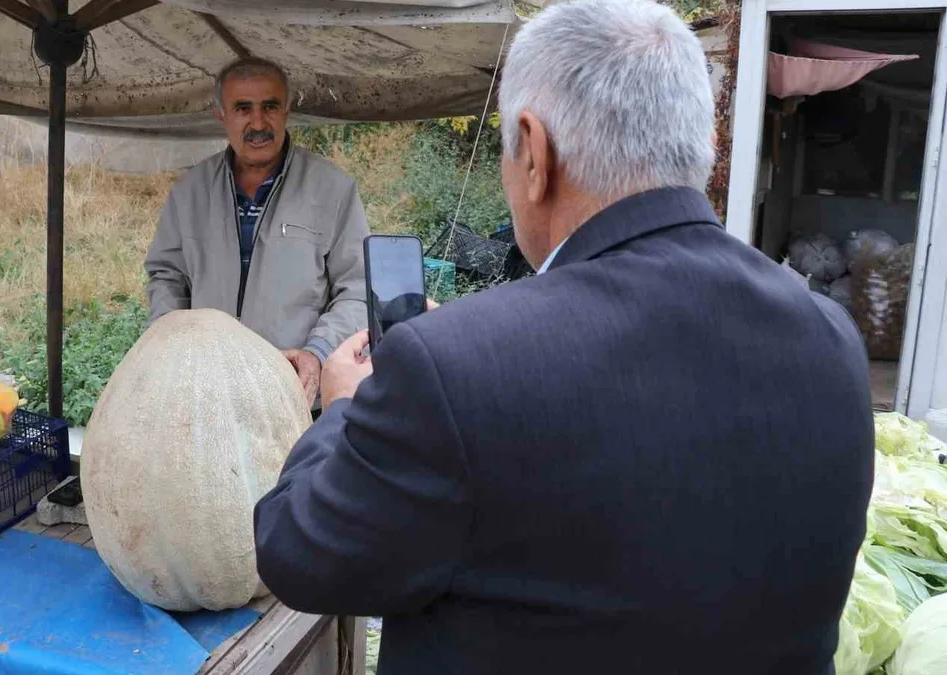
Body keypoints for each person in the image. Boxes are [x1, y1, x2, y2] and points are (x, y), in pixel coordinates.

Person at [253, 1, 875, 673]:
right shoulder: (831, 340)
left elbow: (299, 552)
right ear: (701, 143)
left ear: (535, 152)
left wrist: (345, 404)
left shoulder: (457, 369)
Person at [144, 57, 368, 409]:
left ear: (287, 110)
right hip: (209, 393)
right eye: (243, 108)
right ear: (222, 115)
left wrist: (317, 352)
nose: (258, 122)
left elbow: (358, 290)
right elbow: (167, 275)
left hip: (294, 396)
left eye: (270, 107)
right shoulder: (190, 191)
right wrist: (172, 343)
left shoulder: (332, 189)